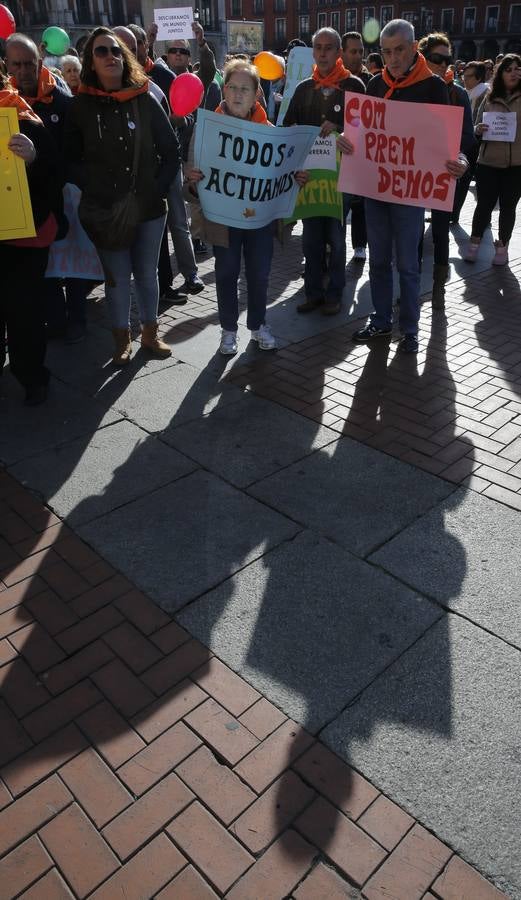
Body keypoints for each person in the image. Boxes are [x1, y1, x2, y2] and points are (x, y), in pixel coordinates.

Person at [343, 19, 467, 353]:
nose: (393, 58)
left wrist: (461, 161)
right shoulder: (374, 86)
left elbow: (448, 140)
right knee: (379, 261)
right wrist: (347, 141)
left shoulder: (433, 87)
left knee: (408, 265)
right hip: (375, 190)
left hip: (410, 193)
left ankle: (410, 329)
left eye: (399, 50)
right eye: (386, 52)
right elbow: (360, 134)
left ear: (414, 48)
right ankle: (382, 321)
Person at [64, 27, 180, 364]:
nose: (110, 56)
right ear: (91, 61)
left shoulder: (143, 97)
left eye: (115, 50)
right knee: (116, 279)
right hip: (105, 210)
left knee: (147, 274)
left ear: (124, 57)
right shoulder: (80, 106)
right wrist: (94, 186)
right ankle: (120, 340)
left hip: (148, 209)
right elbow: (69, 158)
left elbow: (171, 150)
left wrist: (155, 190)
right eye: (101, 51)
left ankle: (150, 334)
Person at [187, 59, 307, 356]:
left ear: (256, 94)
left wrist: (295, 177)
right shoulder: (207, 128)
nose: (238, 94)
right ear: (224, 90)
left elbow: (281, 172)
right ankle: (229, 330)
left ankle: (258, 325)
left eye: (245, 88)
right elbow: (192, 180)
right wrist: (192, 179)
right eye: (233, 87)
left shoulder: (270, 132)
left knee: (259, 274)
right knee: (226, 273)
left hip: (260, 220)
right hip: (223, 220)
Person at [284, 27, 365, 315]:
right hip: (310, 178)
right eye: (318, 47)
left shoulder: (354, 86)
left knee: (336, 237)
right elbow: (288, 130)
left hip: (341, 179)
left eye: (328, 47)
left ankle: (334, 295)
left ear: (339, 52)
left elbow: (367, 132)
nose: (322, 53)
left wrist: (342, 130)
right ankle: (313, 293)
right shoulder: (304, 88)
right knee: (311, 239)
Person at [0, 71, 61, 404]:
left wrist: (34, 157)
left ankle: (32, 377)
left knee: (24, 312)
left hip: (23, 238)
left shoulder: (22, 117)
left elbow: (55, 173)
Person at [418, 32, 475, 308]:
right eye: (437, 58)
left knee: (440, 230)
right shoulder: (410, 87)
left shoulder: (458, 93)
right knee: (411, 230)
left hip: (443, 171)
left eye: (447, 59)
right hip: (411, 172)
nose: (443, 64)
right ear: (423, 58)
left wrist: (461, 158)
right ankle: (411, 285)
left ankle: (439, 284)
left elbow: (467, 134)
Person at [464, 54, 521, 266]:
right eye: (509, 69)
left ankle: (502, 248)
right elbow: (475, 126)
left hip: (515, 165)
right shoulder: (489, 97)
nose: (514, 72)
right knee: (484, 206)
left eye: (518, 68)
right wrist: (479, 129)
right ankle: (474, 245)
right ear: (500, 73)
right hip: (488, 163)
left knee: (508, 207)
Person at [340, 31, 371, 262]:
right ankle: (333, 247)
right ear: (342, 52)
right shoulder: (334, 80)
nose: (358, 55)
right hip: (338, 154)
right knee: (338, 206)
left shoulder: (370, 82)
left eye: (361, 51)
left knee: (361, 204)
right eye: (353, 51)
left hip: (363, 154)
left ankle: (360, 245)